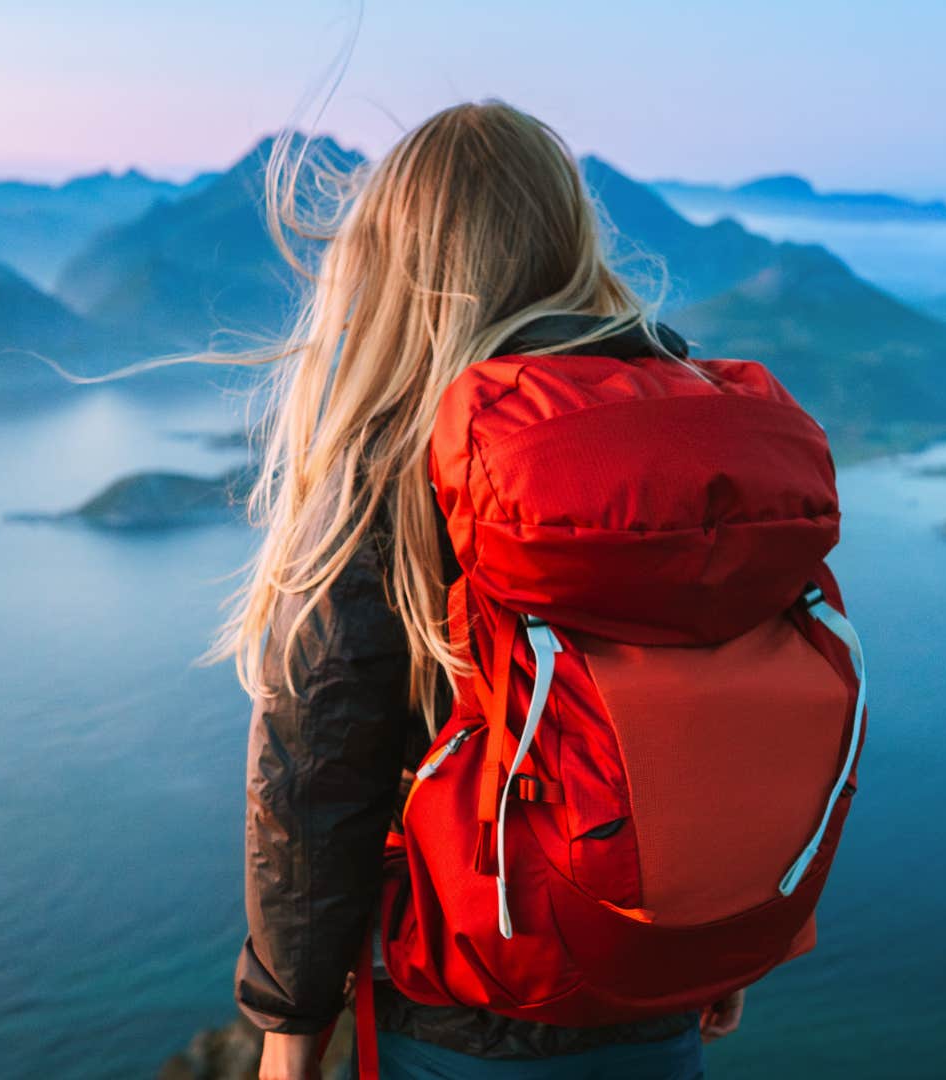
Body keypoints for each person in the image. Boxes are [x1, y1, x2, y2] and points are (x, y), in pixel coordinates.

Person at [212, 101, 747, 1080]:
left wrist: (288, 1034)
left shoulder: (396, 464)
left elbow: (315, 770)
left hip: (464, 1013)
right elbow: (722, 696)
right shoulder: (675, 433)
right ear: (568, 242)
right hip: (655, 997)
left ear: (395, 264)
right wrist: (712, 934)